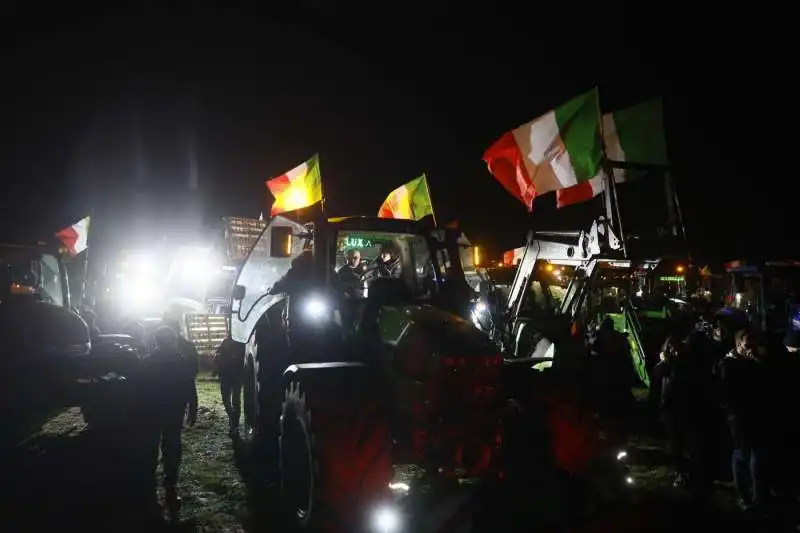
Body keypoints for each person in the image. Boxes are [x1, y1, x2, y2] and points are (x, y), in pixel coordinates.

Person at [135, 326, 198, 521]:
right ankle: (168, 487)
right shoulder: (179, 362)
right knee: (170, 449)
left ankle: (152, 487)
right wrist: (192, 409)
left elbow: (137, 391)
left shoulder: (146, 362)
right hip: (171, 413)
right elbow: (190, 388)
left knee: (152, 449)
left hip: (153, 414)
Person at [717, 328, 767, 510]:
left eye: (754, 345)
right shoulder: (727, 364)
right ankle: (744, 495)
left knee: (757, 455)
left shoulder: (753, 361)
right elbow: (724, 393)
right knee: (741, 455)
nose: (751, 348)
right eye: (747, 345)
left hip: (755, 415)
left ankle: (758, 494)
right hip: (738, 418)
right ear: (738, 344)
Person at [215, 333, 244, 437]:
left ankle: (234, 423)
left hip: (234, 376)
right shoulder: (225, 342)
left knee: (234, 401)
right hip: (227, 375)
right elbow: (217, 356)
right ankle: (233, 419)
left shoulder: (241, 343)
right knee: (227, 400)